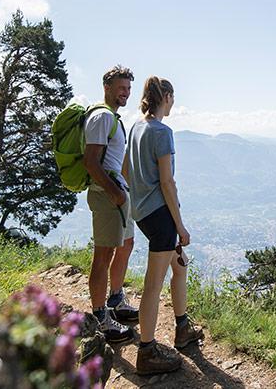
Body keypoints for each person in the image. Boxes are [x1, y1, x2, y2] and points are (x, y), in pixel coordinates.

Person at [125, 76, 204, 374]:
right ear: (166, 96)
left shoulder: (136, 128)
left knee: (179, 267)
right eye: (173, 98)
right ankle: (146, 352)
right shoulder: (163, 132)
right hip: (161, 217)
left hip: (143, 211)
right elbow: (168, 182)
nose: (174, 103)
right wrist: (180, 227)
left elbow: (126, 169)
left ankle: (182, 328)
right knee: (153, 284)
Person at [83, 65, 138, 343]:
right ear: (107, 87)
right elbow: (91, 162)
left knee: (126, 245)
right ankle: (100, 317)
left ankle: (116, 299)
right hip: (107, 197)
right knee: (103, 256)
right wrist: (115, 193)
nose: (125, 92)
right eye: (121, 87)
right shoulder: (102, 117)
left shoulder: (114, 118)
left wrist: (124, 192)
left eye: (128, 88)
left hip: (117, 194)